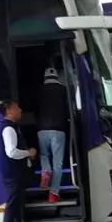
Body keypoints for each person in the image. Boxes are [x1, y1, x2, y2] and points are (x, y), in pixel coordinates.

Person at [0, 100, 37, 222]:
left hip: (15, 171)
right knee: (13, 201)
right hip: (12, 172)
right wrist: (28, 153)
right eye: (16, 108)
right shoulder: (8, 129)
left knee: (17, 201)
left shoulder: (12, 127)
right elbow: (12, 152)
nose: (20, 110)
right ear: (9, 111)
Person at [37, 67, 69, 204]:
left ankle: (45, 171)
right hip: (59, 130)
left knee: (44, 154)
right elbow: (68, 109)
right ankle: (53, 194)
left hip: (42, 129)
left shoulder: (39, 90)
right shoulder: (63, 90)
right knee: (58, 163)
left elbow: (35, 109)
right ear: (57, 77)